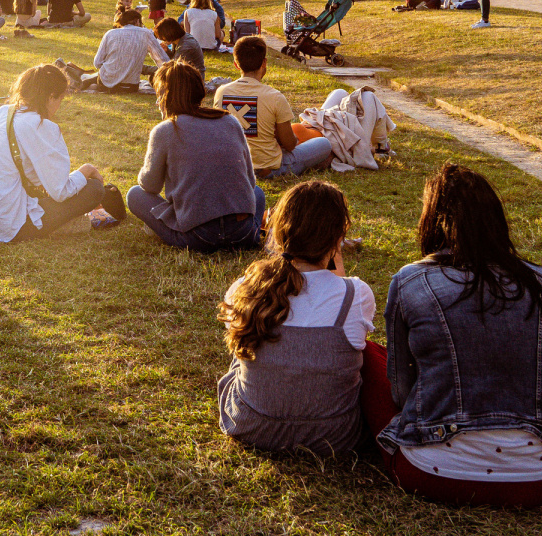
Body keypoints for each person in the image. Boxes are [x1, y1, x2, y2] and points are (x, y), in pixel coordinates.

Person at [374, 164, 542, 506]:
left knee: (369, 358)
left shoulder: (409, 282)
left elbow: (401, 395)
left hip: (435, 473)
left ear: (431, 221)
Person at [215, 180, 378, 453]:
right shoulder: (356, 294)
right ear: (338, 235)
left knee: (244, 343)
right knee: (366, 352)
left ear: (278, 231)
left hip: (251, 426)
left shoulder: (244, 288)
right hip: (334, 437)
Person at [0, 63, 128, 241]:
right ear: (51, 96)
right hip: (4, 224)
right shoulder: (42, 126)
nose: (59, 105)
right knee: (94, 189)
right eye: (60, 99)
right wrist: (86, 170)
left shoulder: (1, 112)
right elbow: (61, 192)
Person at [125, 62, 263, 252]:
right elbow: (250, 182)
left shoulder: (165, 130)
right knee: (259, 193)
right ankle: (254, 231)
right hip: (242, 234)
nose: (157, 103)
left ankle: (175, 231)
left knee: (134, 194)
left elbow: (149, 186)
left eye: (158, 96)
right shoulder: (230, 121)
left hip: (198, 237)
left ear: (166, 96)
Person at [212, 36, 333, 178]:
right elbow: (289, 145)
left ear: (236, 64)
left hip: (233, 166)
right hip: (268, 168)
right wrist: (292, 139)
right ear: (264, 62)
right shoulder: (274, 96)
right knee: (324, 143)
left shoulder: (221, 92)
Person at [58, 9, 167, 93]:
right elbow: (162, 61)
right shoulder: (146, 33)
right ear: (138, 21)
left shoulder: (110, 33)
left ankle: (83, 84)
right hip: (130, 87)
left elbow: (97, 63)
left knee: (99, 77)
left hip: (106, 83)